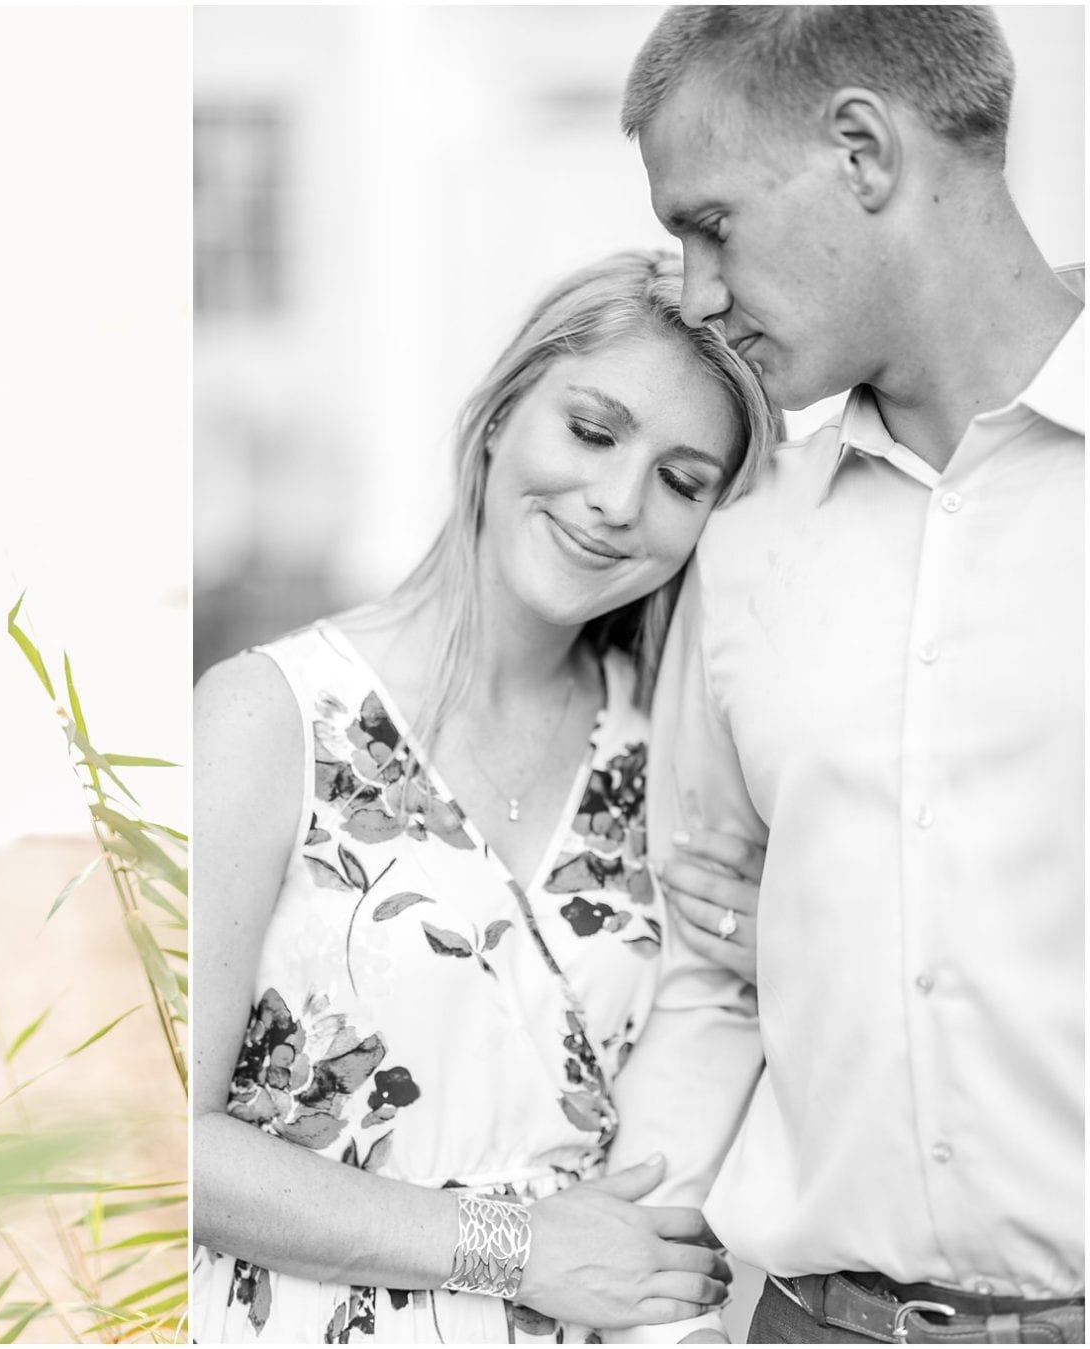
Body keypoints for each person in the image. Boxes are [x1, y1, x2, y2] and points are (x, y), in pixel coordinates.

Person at [192, 250, 781, 1343]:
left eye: (681, 480)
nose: (615, 502)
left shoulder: (678, 761)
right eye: (593, 432)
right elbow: (162, 1140)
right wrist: (515, 1246)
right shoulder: (268, 717)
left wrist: (780, 950)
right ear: (503, 412)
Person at [607, 7, 1084, 1344]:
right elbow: (712, 980)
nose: (697, 291)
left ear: (863, 152)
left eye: (713, 225)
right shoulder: (747, 542)